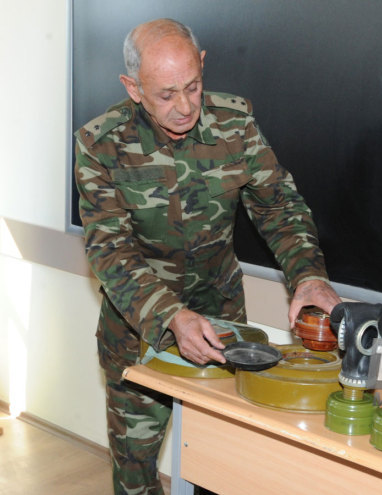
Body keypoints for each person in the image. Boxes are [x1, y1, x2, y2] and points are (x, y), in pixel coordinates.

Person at [74, 18, 341, 495]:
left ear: (202, 64)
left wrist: (308, 276)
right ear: (133, 88)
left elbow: (276, 204)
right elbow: (109, 251)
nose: (184, 107)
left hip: (223, 329)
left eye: (193, 87)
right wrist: (171, 315)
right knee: (135, 477)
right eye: (165, 94)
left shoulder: (235, 123)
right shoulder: (101, 145)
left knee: (222, 464)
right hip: (140, 333)